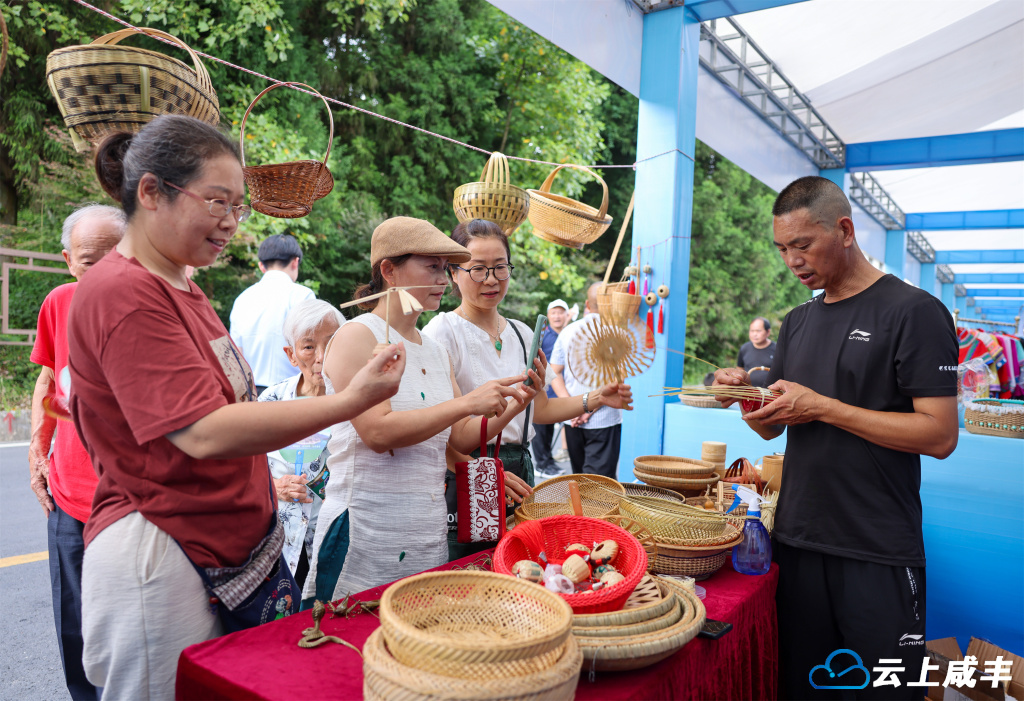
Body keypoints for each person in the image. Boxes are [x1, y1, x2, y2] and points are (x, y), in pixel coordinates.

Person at [67, 115, 404, 699]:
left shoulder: (183, 285)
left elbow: (230, 401)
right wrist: (350, 401)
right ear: (151, 192)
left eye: (238, 207)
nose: (230, 221)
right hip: (165, 551)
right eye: (217, 201)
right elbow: (203, 431)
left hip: (210, 544)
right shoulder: (125, 291)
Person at [713, 175, 958, 700]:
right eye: (782, 249)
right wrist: (744, 400)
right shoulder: (798, 321)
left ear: (844, 230)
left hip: (877, 546)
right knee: (803, 687)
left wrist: (825, 407)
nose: (792, 261)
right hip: (799, 539)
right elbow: (774, 425)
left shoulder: (913, 311)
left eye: (802, 245)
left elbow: (940, 434)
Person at [304, 216, 540, 604]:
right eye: (432, 267)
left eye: (445, 269)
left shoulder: (434, 349)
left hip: (427, 534)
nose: (443, 280)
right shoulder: (356, 335)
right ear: (389, 270)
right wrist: (466, 403)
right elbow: (378, 432)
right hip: (367, 529)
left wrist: (517, 402)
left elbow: (458, 437)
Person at [424, 220, 632, 560]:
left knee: (521, 565)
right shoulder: (442, 331)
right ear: (453, 273)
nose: (491, 279)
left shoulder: (522, 334)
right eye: (478, 269)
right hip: (468, 468)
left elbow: (542, 409)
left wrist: (594, 398)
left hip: (519, 470)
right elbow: (446, 433)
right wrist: (487, 472)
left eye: (500, 267)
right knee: (470, 568)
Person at [28, 204, 125, 701]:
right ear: (69, 261)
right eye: (90, 261)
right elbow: (48, 377)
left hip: (134, 501)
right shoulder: (58, 303)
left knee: (134, 626)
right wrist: (37, 450)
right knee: (75, 622)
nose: (104, 270)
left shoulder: (152, 308)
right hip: (69, 495)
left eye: (115, 256)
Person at [258, 299, 346, 590]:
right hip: (279, 542)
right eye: (308, 347)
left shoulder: (355, 402)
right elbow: (243, 469)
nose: (321, 357)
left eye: (331, 344)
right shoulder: (270, 402)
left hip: (335, 539)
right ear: (292, 355)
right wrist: (274, 487)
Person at [549, 282, 628, 479]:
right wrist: (588, 409)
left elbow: (554, 372)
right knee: (600, 485)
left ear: (587, 304)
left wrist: (572, 406)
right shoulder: (617, 334)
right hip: (603, 419)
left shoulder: (567, 331)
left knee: (580, 481)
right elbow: (618, 380)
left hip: (572, 419)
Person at [229, 234, 315, 395]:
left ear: (261, 266)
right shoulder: (302, 295)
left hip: (252, 392)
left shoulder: (242, 299)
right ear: (295, 262)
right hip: (293, 390)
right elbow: (312, 347)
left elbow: (236, 353)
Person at [530, 298, 572, 479]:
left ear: (567, 315)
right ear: (548, 316)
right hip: (545, 391)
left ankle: (549, 462)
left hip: (560, 391)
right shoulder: (543, 336)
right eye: (553, 313)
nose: (557, 316)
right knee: (541, 429)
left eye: (560, 312)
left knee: (549, 430)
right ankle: (542, 465)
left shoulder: (568, 335)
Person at [736, 316, 776, 388]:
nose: (755, 334)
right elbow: (739, 369)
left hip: (770, 392)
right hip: (748, 391)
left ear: (768, 332)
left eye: (758, 331)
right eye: (752, 331)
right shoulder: (744, 348)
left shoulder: (777, 349)